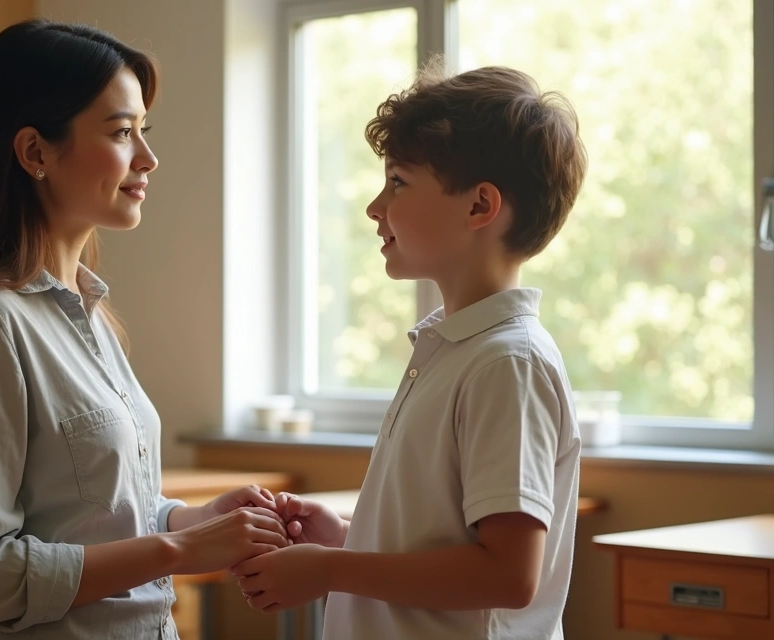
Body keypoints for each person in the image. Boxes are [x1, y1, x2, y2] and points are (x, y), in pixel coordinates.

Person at [0, 19, 289, 640]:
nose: (148, 158)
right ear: (35, 153)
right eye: (122, 132)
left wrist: (191, 520)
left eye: (144, 131)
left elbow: (91, 516)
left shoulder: (91, 313)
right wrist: (179, 552)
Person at [234, 58, 589, 640]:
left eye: (398, 182)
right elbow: (444, 544)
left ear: (479, 206)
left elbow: (507, 575)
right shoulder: (451, 349)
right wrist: (348, 541)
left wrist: (331, 570)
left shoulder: (506, 364)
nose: (375, 207)